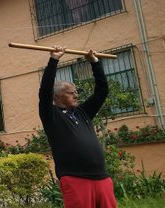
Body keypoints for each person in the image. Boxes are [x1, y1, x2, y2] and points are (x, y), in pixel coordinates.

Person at [39, 46, 117, 208]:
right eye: (70, 93)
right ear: (58, 97)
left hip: (102, 178)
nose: (76, 95)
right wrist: (54, 60)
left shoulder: (83, 112)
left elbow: (102, 92)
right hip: (76, 179)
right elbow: (45, 92)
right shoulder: (51, 115)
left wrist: (95, 63)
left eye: (76, 92)